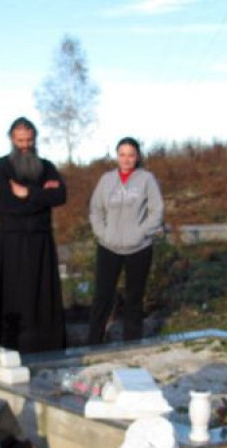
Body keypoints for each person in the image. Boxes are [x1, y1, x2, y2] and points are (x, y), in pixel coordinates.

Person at [0, 117, 67, 353]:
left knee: (41, 297)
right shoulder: (1, 167)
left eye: (29, 140)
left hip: (41, 242)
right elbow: (7, 206)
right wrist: (42, 197)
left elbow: (61, 196)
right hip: (12, 242)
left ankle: (43, 345)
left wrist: (27, 192)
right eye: (20, 141)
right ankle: (8, 345)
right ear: (11, 139)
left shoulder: (47, 166)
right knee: (12, 296)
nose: (25, 145)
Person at [87, 137, 164, 344]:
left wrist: (142, 233)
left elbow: (157, 210)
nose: (126, 159)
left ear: (137, 156)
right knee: (103, 296)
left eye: (131, 155)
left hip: (139, 248)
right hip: (108, 247)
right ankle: (93, 342)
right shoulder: (106, 180)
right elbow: (95, 209)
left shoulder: (147, 179)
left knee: (134, 298)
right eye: (122, 155)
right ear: (117, 156)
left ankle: (132, 343)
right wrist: (102, 233)